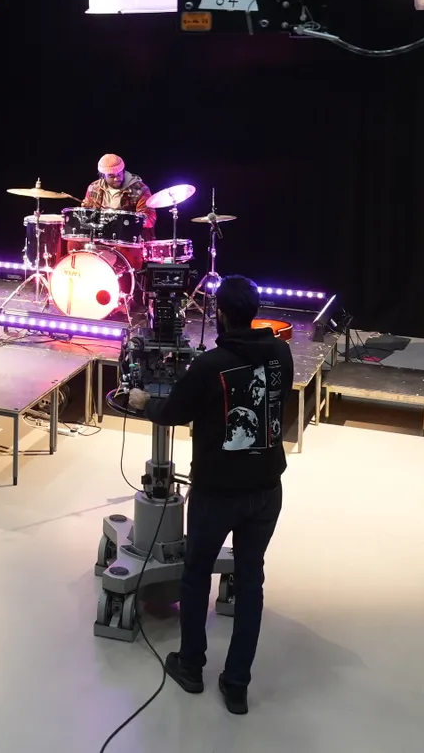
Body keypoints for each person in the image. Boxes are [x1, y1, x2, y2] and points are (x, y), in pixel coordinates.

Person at [125, 275, 292, 714]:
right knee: (251, 581)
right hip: (266, 490)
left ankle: (192, 666)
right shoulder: (281, 353)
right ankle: (236, 685)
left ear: (219, 314)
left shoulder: (209, 365)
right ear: (254, 311)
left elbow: (173, 412)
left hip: (217, 493)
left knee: (196, 574)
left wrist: (143, 402)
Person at [83, 152, 156, 230]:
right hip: (101, 233)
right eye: (111, 176)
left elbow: (150, 219)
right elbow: (88, 218)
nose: (116, 179)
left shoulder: (140, 189)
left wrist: (128, 220)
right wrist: (87, 210)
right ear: (103, 175)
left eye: (119, 174)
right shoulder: (93, 188)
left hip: (129, 234)